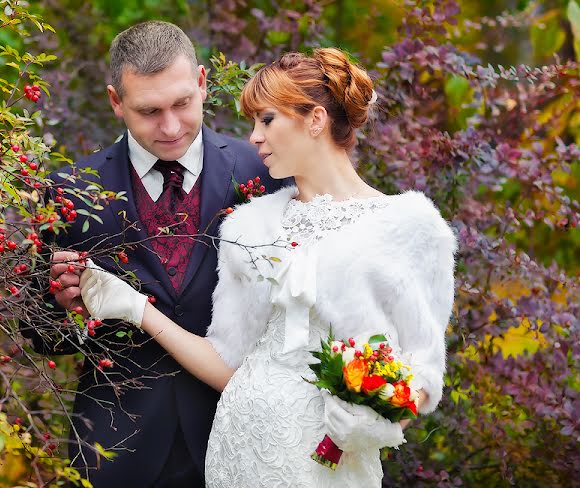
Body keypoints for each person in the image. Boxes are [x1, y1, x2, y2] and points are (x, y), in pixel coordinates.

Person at [78, 48, 457, 487]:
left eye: (267, 120)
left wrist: (380, 421)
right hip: (238, 451)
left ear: (315, 119)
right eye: (253, 123)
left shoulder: (409, 225)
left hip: (325, 463)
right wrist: (136, 308)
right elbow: (225, 360)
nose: (254, 138)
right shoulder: (249, 225)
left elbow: (423, 371)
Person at [21, 21, 289, 487]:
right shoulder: (72, 190)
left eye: (182, 104)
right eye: (148, 111)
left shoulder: (263, 171)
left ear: (203, 83)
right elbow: (39, 333)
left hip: (239, 438)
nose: (169, 127)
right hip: (118, 447)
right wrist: (61, 306)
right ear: (115, 102)